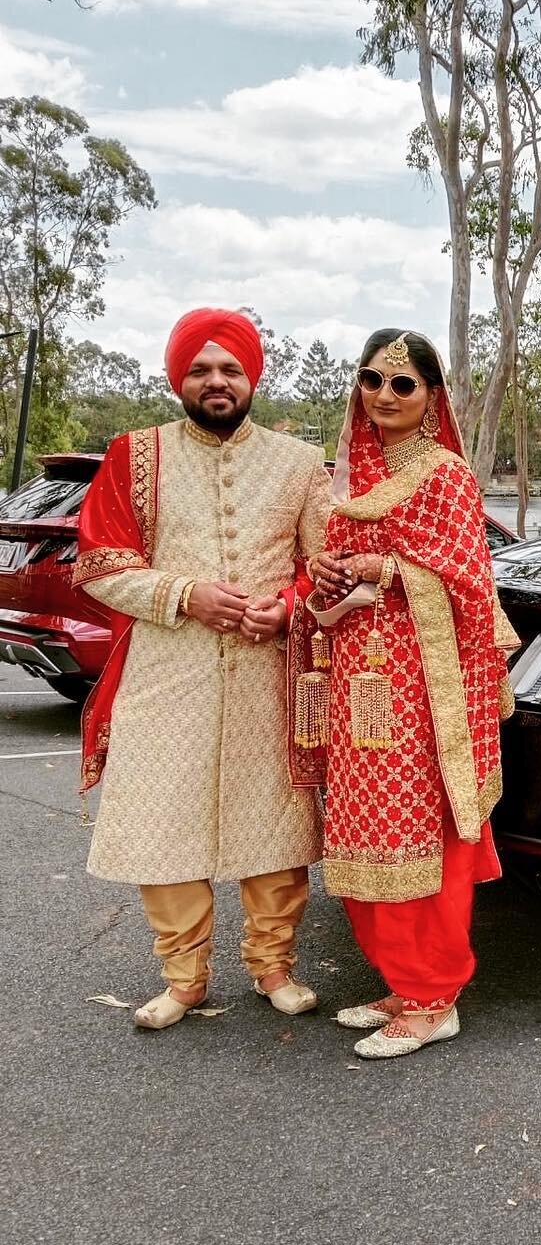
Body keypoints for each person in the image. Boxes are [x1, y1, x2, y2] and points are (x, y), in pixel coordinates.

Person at [77, 308, 331, 1029]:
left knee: (275, 825)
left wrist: (286, 608)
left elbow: (326, 569)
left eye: (230, 369)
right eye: (200, 369)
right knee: (164, 823)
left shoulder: (299, 464)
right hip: (167, 672)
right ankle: (183, 977)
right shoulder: (135, 455)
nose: (216, 381)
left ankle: (273, 966)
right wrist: (187, 595)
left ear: (251, 378)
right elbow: (99, 564)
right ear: (177, 379)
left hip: (265, 675)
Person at [298, 328, 519, 1061]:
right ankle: (403, 979)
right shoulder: (351, 478)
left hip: (426, 689)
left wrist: (383, 568)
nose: (383, 396)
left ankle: (435, 999)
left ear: (431, 398)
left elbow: (467, 581)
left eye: (402, 384)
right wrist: (328, 582)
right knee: (365, 832)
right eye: (371, 379)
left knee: (418, 834)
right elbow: (331, 581)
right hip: (359, 680)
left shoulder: (445, 473)